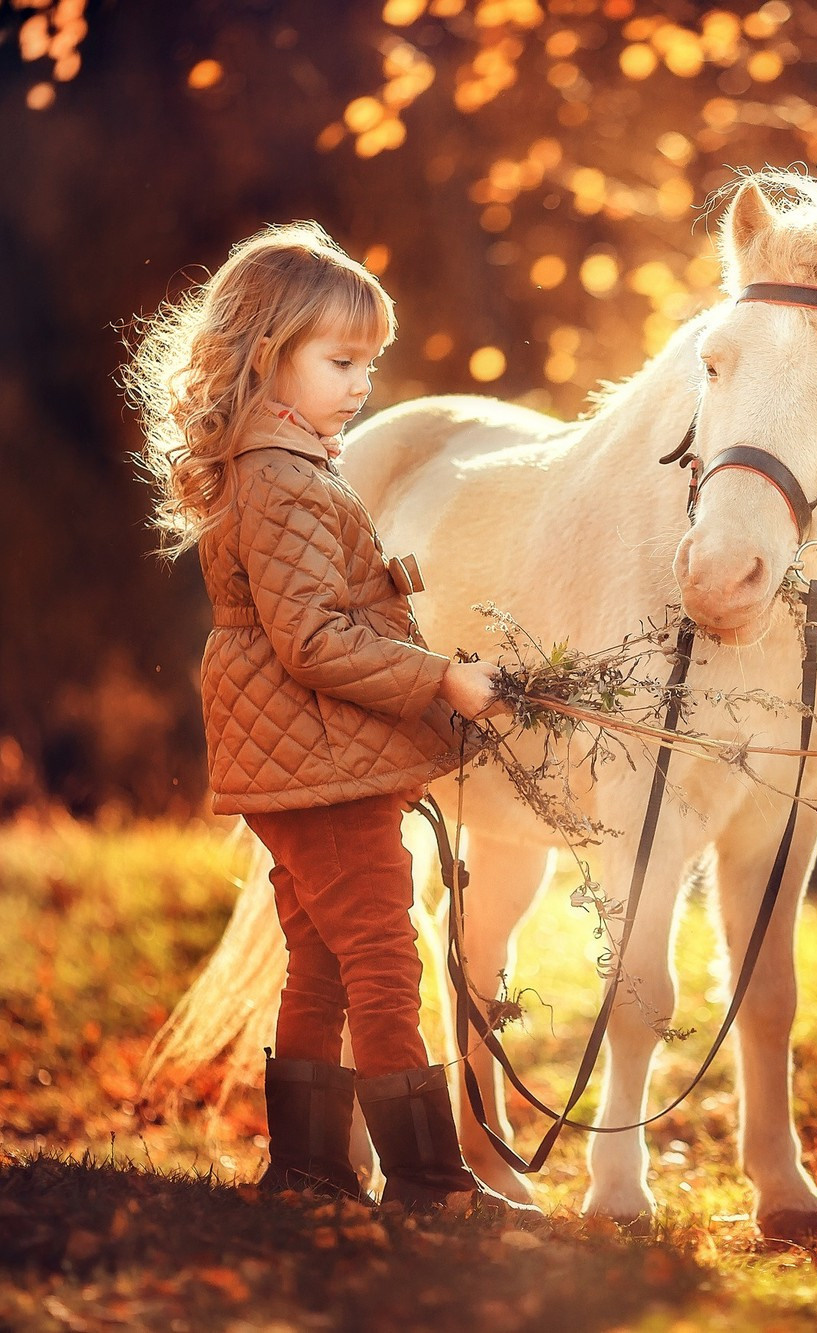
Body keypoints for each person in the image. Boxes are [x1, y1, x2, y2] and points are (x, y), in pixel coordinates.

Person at [123, 221, 536, 1221]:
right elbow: (310, 641)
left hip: (294, 753)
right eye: (339, 360)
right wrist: (440, 678)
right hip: (314, 757)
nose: (361, 383)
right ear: (269, 358)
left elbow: (308, 615)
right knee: (385, 959)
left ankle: (309, 1172)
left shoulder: (274, 467)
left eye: (369, 363)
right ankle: (433, 1188)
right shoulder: (283, 483)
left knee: (317, 955)